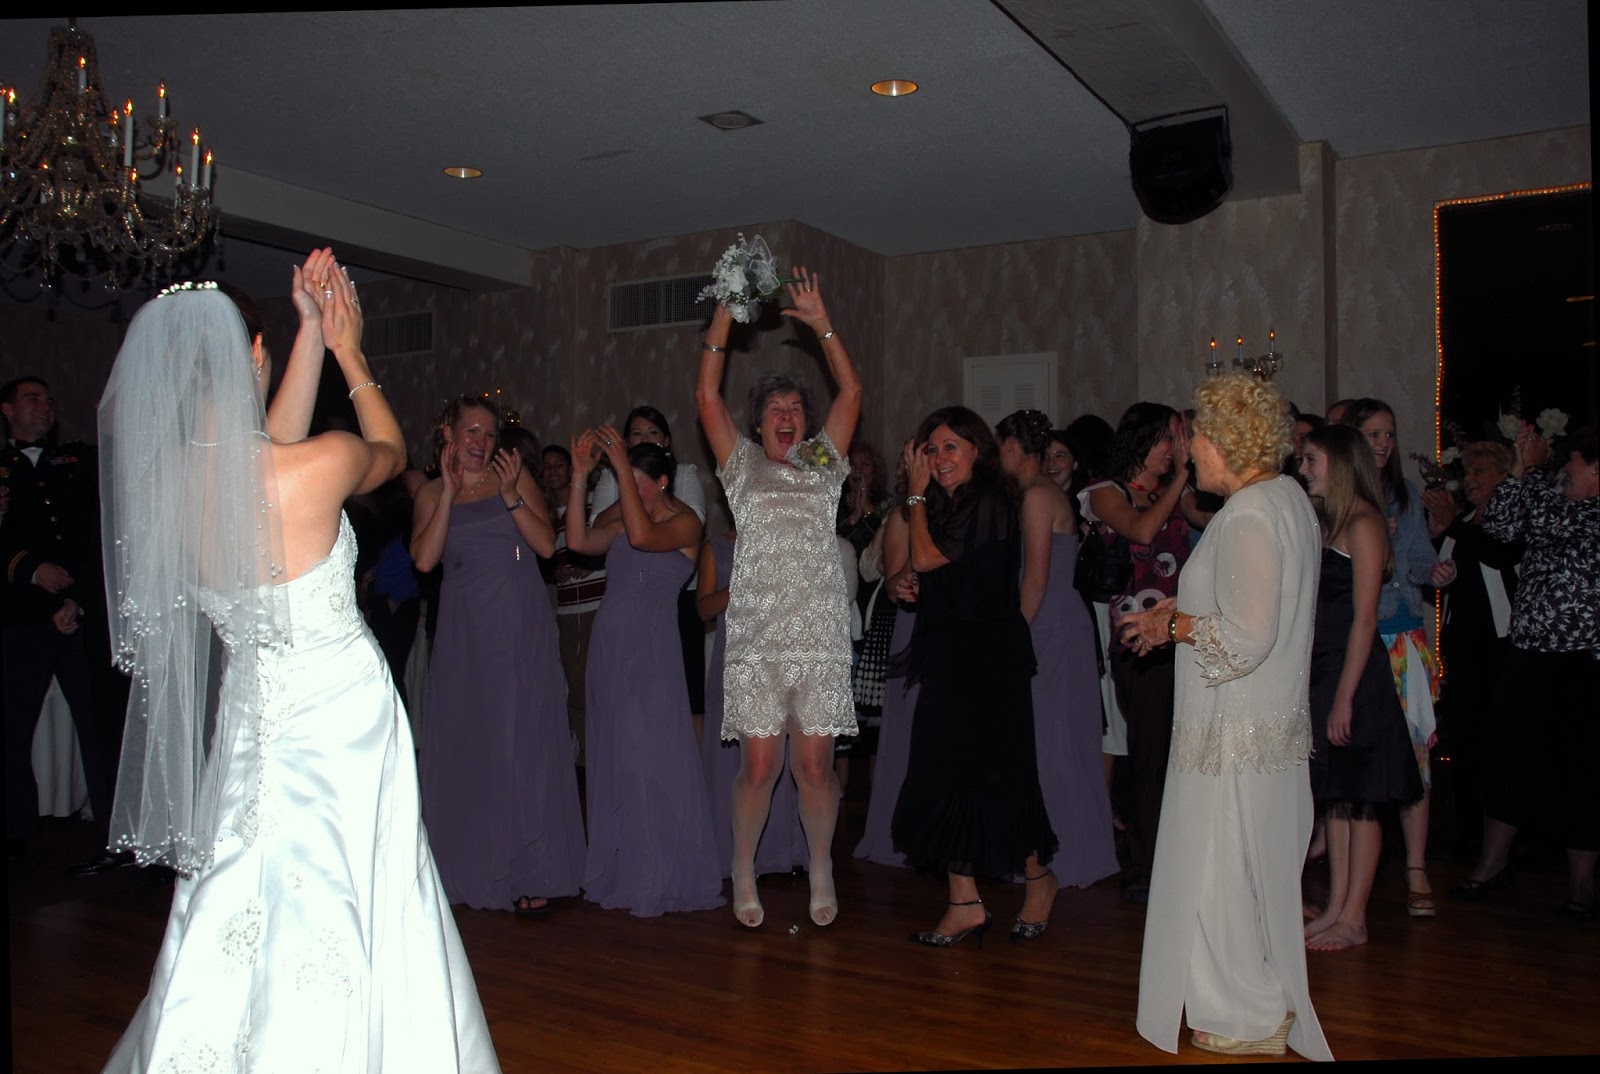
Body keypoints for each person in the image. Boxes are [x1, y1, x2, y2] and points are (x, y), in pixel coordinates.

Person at [99, 255, 499, 1071]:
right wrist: (348, 348)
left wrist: (310, 330)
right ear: (255, 355)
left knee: (244, 878)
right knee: (353, 880)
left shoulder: (171, 492)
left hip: (251, 718)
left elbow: (261, 448)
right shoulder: (317, 464)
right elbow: (388, 448)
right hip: (343, 717)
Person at [1120, 374, 1330, 1061]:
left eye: (1198, 438)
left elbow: (1246, 637)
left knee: (1222, 874)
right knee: (1249, 873)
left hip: (1233, 731)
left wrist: (1174, 624)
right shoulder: (1287, 499)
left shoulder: (1248, 514)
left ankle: (1249, 1015)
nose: (1190, 453)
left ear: (1227, 442)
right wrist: (1177, 614)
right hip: (1263, 726)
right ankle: (1257, 1005)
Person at [695, 267, 862, 928]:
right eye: (776, 410)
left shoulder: (821, 465)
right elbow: (706, 395)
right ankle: (743, 867)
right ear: (759, 424)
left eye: (795, 409)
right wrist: (727, 312)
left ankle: (821, 865)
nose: (787, 416)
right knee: (760, 767)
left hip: (817, 636)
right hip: (759, 638)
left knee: (816, 768)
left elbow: (851, 391)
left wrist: (822, 324)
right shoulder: (742, 467)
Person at [411, 394, 585, 914]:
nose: (481, 442)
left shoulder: (513, 475)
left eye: (489, 434)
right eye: (472, 432)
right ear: (449, 433)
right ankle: (473, 864)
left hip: (518, 626)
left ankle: (531, 868)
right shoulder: (430, 493)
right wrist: (447, 495)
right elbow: (425, 561)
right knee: (472, 740)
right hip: (465, 632)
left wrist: (510, 495)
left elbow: (547, 547)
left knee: (521, 742)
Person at [892, 406, 1057, 946]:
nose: (940, 459)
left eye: (951, 448)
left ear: (977, 452)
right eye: (932, 449)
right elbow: (922, 567)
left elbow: (926, 554)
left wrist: (915, 496)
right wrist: (902, 584)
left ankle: (1039, 879)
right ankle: (964, 902)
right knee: (942, 775)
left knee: (1000, 777)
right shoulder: (948, 506)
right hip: (949, 657)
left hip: (989, 663)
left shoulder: (989, 501)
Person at [567, 430, 724, 915]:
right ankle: (622, 865)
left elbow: (642, 538)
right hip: (611, 646)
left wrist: (619, 466)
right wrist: (579, 477)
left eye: (636, 482)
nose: (627, 491)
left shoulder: (686, 523)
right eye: (624, 482)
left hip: (653, 651)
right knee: (615, 753)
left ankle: (659, 869)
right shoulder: (622, 515)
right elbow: (578, 541)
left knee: (649, 756)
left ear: (662, 482)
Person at [1454, 422, 1599, 918]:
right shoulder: (1549, 497)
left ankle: (1582, 886)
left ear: (1595, 468)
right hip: (1528, 653)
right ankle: (1492, 864)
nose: (1564, 472)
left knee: (1580, 771)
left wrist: (1532, 472)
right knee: (1506, 757)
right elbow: (1500, 526)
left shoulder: (1582, 510)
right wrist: (1519, 468)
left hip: (1583, 662)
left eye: (1572, 464)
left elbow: (1553, 521)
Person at [1298, 424, 1424, 951]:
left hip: (1355, 673)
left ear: (1340, 463)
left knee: (1364, 797)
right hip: (1325, 669)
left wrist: (1345, 697)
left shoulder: (1366, 522)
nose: (1303, 469)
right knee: (1338, 798)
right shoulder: (1330, 520)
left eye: (1311, 460)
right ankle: (1336, 908)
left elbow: (1366, 618)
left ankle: (1355, 917)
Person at [1340, 398, 1455, 919]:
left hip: (1402, 639)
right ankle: (1344, 877)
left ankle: (1415, 867)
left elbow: (1419, 563)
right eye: (1374, 433)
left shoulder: (1405, 494)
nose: (1384, 443)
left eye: (1389, 433)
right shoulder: (1337, 496)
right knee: (1353, 755)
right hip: (1355, 640)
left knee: (1415, 755)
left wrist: (1435, 573)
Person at [996, 409, 1117, 902]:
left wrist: (1013, 638)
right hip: (1058, 621)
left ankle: (1060, 854)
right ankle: (1055, 849)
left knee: (1052, 741)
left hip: (1050, 624)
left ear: (1011, 447)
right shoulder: (1040, 492)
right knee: (1054, 739)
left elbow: (1035, 578)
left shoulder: (1037, 495)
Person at [2, 375, 122, 871]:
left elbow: (98, 530)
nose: (45, 407)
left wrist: (76, 597)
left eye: (48, 400)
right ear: (7, 410)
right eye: (32, 398)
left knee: (100, 727)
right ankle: (16, 834)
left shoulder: (76, 461)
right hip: (22, 619)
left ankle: (115, 833)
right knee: (12, 731)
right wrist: (30, 569)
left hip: (79, 616)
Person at [1083, 402, 1200, 902]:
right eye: (1169, 438)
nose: (1175, 448)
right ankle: (1143, 866)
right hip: (1137, 640)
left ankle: (1178, 859)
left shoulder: (1179, 490)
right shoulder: (1104, 492)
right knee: (1148, 754)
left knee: (1180, 753)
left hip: (1185, 635)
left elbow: (1207, 517)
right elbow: (1142, 530)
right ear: (1143, 440)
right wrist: (1183, 478)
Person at [1423, 442, 1522, 845]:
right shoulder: (1460, 522)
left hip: (1502, 649)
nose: (1469, 479)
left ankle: (1502, 839)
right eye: (1467, 472)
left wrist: (1452, 526)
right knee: (1462, 738)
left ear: (1504, 478)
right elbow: (1436, 576)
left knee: (1499, 742)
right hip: (1462, 649)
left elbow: (1498, 556)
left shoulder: (1510, 521)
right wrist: (1434, 539)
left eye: (1479, 472)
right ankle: (1466, 834)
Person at [697, 526, 808, 879]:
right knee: (733, 758)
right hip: (733, 663)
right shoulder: (716, 547)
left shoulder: (787, 540)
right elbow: (703, 608)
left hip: (778, 660)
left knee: (776, 757)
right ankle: (732, 853)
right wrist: (737, 589)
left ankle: (780, 850)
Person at [587, 405, 709, 723]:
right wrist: (622, 478)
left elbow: (661, 528)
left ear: (666, 439)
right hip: (623, 609)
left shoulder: (686, 475)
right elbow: (595, 529)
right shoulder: (617, 479)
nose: (646, 439)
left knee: (683, 700)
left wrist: (634, 481)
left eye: (653, 433)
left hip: (675, 600)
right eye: (638, 434)